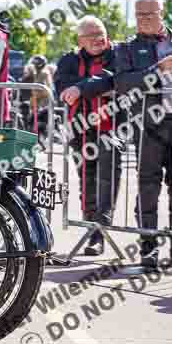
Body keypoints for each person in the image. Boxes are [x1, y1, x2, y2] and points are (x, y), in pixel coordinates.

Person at [115, 0, 172, 269]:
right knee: (148, 188)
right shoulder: (127, 48)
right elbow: (122, 83)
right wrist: (157, 70)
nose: (143, 20)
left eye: (149, 14)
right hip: (149, 127)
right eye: (139, 15)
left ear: (162, 12)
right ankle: (149, 248)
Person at [54, 16, 123, 256]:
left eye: (100, 33)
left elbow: (114, 79)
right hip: (80, 128)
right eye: (91, 35)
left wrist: (82, 88)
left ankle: (100, 231)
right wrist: (93, 86)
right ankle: (91, 231)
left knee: (108, 179)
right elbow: (63, 89)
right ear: (80, 40)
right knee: (87, 181)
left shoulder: (118, 54)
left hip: (112, 127)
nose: (98, 38)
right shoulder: (68, 60)